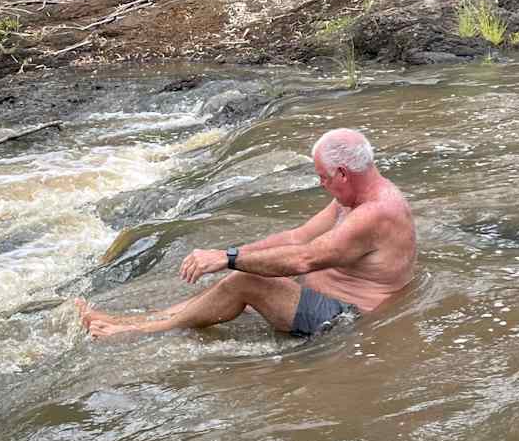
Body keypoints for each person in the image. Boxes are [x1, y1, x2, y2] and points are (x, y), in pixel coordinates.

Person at [75, 127, 415, 341]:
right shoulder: (352, 198)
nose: (320, 184)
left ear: (342, 173)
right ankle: (134, 319)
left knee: (243, 281)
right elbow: (298, 237)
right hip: (328, 300)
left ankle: (133, 332)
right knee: (236, 278)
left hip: (346, 319)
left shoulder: (376, 212)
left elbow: (303, 258)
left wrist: (231, 260)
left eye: (323, 177)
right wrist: (230, 252)